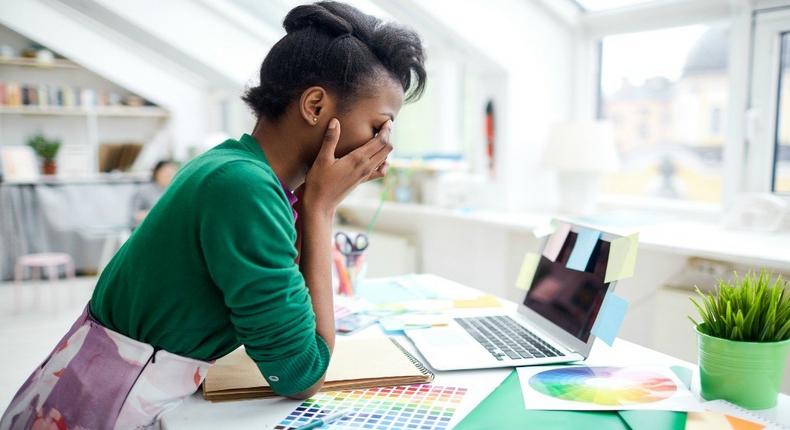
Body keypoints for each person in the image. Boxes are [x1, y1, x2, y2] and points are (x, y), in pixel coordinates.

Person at [0, 2, 426, 429]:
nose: (383, 150)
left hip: (88, 388)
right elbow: (302, 374)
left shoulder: (232, 165)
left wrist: (312, 199)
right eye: (377, 127)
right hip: (101, 411)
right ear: (315, 106)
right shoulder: (244, 189)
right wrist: (322, 207)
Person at [130, 160, 178, 228]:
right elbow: (135, 215)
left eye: (172, 173)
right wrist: (158, 214)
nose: (169, 176)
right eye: (166, 173)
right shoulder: (143, 191)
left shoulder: (173, 191)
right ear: (156, 173)